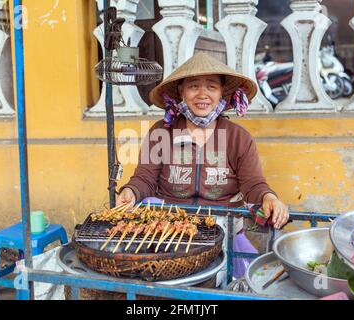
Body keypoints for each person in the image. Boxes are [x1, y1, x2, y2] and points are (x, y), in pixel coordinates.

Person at [116, 52, 289, 279]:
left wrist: (269, 197)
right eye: (193, 86)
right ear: (181, 92)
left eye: (211, 87)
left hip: (222, 228)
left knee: (253, 280)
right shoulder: (161, 132)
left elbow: (253, 184)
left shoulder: (238, 138)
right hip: (170, 227)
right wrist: (131, 190)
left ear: (222, 94)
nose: (202, 94)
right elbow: (145, 178)